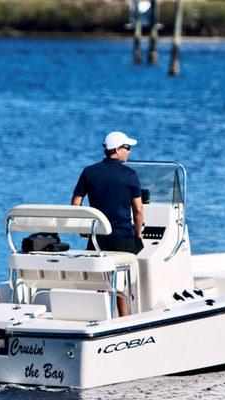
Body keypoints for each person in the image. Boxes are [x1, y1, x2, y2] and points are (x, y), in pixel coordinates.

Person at [71, 131, 144, 317]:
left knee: (99, 282)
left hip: (97, 238)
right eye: (127, 148)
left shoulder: (89, 171)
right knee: (121, 284)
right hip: (123, 238)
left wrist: (83, 229)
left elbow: (76, 204)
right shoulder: (130, 174)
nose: (129, 152)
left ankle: (100, 319)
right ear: (117, 150)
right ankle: (125, 320)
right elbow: (138, 211)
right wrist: (138, 236)